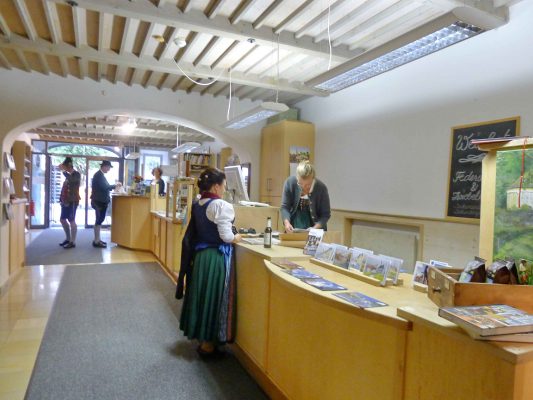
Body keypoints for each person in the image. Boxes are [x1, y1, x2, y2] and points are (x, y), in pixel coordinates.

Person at [177, 167, 242, 357]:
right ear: (215, 187)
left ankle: (203, 340)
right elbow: (226, 236)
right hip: (216, 257)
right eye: (223, 185)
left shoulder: (198, 203)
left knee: (202, 296)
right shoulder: (220, 206)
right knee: (214, 299)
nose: (224, 189)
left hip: (201, 257)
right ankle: (208, 344)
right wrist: (238, 237)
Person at [281, 160, 331, 232]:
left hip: (315, 228)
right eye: (300, 184)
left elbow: (325, 215)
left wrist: (314, 229)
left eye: (307, 185)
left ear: (313, 179)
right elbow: (285, 207)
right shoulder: (290, 183)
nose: (303, 187)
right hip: (294, 225)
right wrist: (287, 223)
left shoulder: (321, 188)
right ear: (297, 177)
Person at [90, 160, 119, 248]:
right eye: (109, 168)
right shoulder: (99, 175)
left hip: (100, 201)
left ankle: (97, 239)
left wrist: (113, 186)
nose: (109, 170)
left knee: (99, 220)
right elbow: (105, 187)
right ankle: (96, 241)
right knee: (99, 220)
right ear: (105, 166)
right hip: (99, 201)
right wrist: (115, 186)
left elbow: (105, 187)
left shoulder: (100, 175)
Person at [58, 157, 81, 249]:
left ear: (69, 166)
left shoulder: (76, 174)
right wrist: (61, 199)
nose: (63, 168)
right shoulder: (68, 175)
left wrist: (64, 172)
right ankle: (68, 238)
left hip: (73, 201)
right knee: (62, 219)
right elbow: (65, 188)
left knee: (72, 220)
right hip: (65, 201)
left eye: (64, 166)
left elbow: (72, 180)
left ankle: (73, 241)